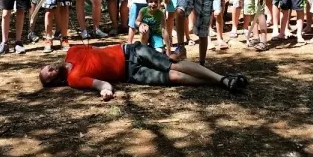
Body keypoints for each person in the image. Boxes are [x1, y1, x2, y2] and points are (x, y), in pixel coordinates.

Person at [39, 42, 249, 100]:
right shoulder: (74, 79)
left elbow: (97, 50)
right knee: (173, 77)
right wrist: (105, 90)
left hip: (131, 51)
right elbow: (100, 84)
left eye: (46, 68)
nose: (49, 69)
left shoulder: (72, 51)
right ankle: (223, 81)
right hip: (131, 73)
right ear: (54, 81)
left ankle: (222, 79)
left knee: (172, 65)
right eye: (48, 74)